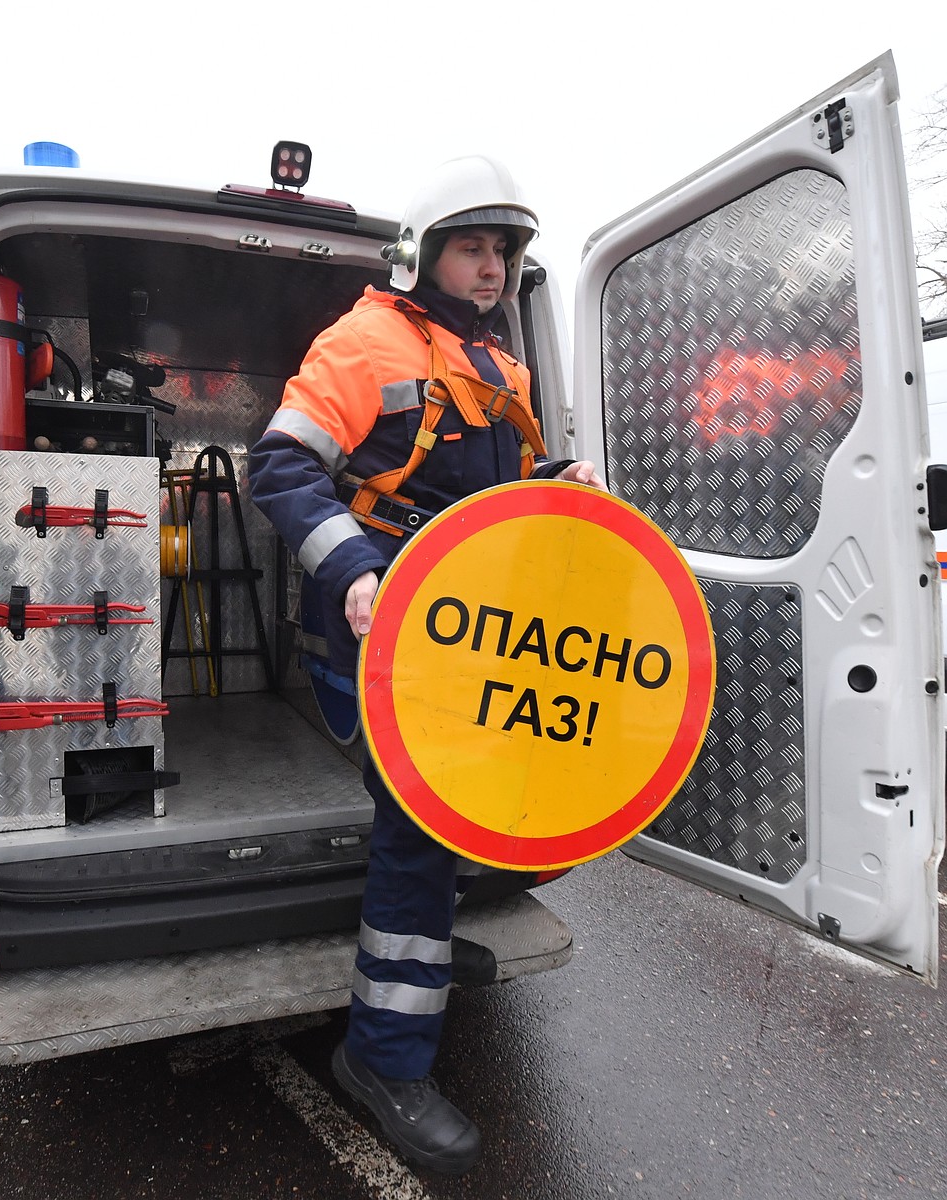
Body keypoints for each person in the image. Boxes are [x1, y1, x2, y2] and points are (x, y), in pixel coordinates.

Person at [247, 155, 605, 1175]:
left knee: (461, 809)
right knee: (417, 827)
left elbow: (480, 493)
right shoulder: (362, 342)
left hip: (467, 634)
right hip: (373, 631)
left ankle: (425, 953)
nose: (491, 268)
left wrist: (552, 475)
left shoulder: (498, 364)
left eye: (503, 251)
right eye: (471, 246)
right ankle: (383, 1058)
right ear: (421, 254)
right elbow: (280, 463)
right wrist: (356, 569)